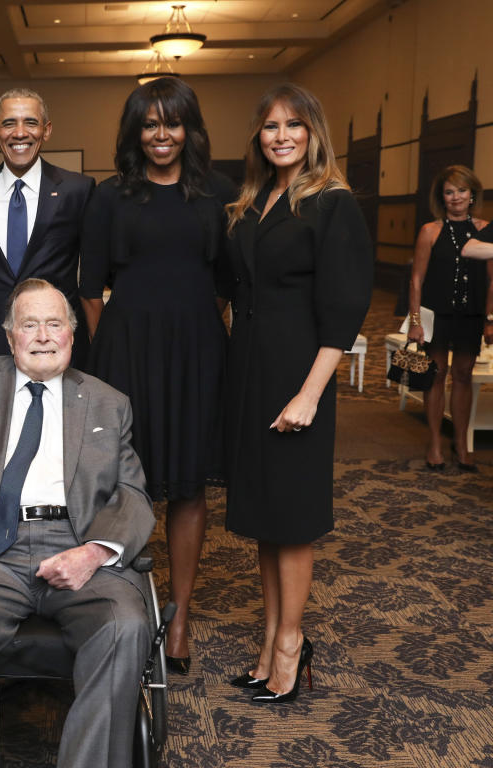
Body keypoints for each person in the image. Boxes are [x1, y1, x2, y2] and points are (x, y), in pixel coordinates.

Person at [0, 278, 156, 768]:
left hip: (77, 545)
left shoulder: (109, 401)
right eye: (29, 325)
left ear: (71, 334)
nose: (42, 335)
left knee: (126, 625)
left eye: (54, 324)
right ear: (10, 336)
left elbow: (133, 493)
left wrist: (95, 553)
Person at [79, 77, 235, 675]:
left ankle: (181, 615)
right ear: (135, 131)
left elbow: (227, 284)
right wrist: (112, 351)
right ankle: (121, 608)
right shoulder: (111, 195)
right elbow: (90, 287)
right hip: (125, 352)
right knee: (123, 483)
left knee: (189, 485)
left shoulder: (218, 192)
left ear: (190, 128)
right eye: (149, 124)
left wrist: (195, 332)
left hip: (197, 350)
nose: (161, 135)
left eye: (172, 123)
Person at [223, 83, 372, 703]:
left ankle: (291, 645)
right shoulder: (253, 201)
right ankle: (269, 642)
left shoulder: (332, 204)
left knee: (293, 520)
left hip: (298, 376)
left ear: (314, 133)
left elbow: (343, 312)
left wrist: (310, 393)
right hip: (251, 375)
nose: (280, 135)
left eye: (294, 125)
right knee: (264, 518)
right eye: (269, 126)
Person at [0, 88, 94, 365]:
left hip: (55, 346)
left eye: (31, 122)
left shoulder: (77, 190)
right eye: (9, 123)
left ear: (46, 130)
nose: (20, 133)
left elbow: (93, 274)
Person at [408, 166, 492, 471]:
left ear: (472, 195)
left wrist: (490, 319)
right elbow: (416, 279)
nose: (456, 197)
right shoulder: (430, 231)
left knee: (464, 376)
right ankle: (434, 443)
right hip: (437, 315)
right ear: (441, 197)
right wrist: (416, 321)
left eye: (462, 191)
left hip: (470, 316)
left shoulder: (485, 230)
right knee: (436, 375)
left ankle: (460, 444)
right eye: (449, 191)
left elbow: (492, 279)